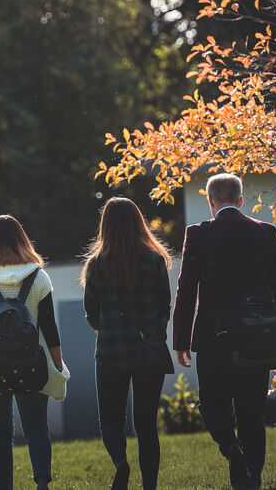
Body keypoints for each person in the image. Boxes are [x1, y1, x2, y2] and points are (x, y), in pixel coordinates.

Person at [173, 173, 276, 489]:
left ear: (210, 201)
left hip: (214, 338)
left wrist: (181, 339)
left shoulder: (198, 235)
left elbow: (186, 289)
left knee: (212, 404)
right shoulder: (266, 232)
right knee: (252, 413)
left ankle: (231, 449)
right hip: (258, 337)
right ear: (240, 200)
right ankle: (251, 478)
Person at [0, 214, 70, 490]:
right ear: (22, 239)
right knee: (36, 427)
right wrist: (58, 364)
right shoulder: (38, 276)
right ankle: (42, 483)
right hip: (32, 362)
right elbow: (49, 325)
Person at [81, 197, 173, 490]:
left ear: (104, 225)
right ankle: (150, 486)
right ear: (138, 222)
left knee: (110, 420)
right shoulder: (155, 260)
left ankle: (121, 464)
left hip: (110, 352)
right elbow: (164, 307)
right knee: (147, 426)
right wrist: (154, 334)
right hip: (149, 351)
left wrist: (107, 330)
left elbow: (91, 314)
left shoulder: (96, 264)